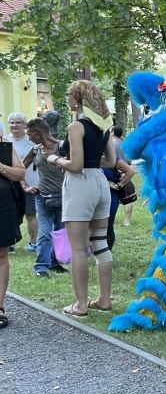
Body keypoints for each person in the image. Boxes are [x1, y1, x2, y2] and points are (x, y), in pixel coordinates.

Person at [48, 80, 117, 317]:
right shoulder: (103, 125)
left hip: (80, 185)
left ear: (78, 98)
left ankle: (80, 305)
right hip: (100, 182)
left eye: (68, 94)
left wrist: (55, 160)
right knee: (100, 243)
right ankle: (104, 300)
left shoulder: (76, 126)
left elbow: (75, 166)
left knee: (78, 248)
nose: (67, 97)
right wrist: (88, 161)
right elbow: (110, 161)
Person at [22, 118, 68, 277]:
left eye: (30, 134)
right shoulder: (34, 150)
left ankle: (54, 262)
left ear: (38, 132)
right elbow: (20, 169)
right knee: (45, 233)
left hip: (64, 199)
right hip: (43, 199)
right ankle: (41, 267)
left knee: (61, 233)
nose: (28, 138)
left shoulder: (63, 147)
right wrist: (26, 186)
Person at [0, 135, 26, 328]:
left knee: (1, 255)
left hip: (3, 203)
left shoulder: (4, 146)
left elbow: (19, 174)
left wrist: (1, 166)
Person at [8, 112, 38, 252]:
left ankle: (33, 242)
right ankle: (9, 243)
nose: (14, 125)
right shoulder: (5, 141)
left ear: (24, 125)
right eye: (12, 122)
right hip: (10, 184)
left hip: (30, 183)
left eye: (18, 122)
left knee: (30, 213)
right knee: (10, 214)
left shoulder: (31, 141)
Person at [100, 157, 136, 251]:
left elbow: (130, 171)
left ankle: (106, 254)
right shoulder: (84, 155)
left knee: (108, 227)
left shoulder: (111, 158)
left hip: (110, 197)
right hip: (89, 198)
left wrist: (118, 185)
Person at [110, 126, 135, 227]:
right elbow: (129, 161)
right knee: (127, 198)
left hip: (115, 174)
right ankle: (127, 220)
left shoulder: (110, 146)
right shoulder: (125, 145)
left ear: (112, 133)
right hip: (126, 174)